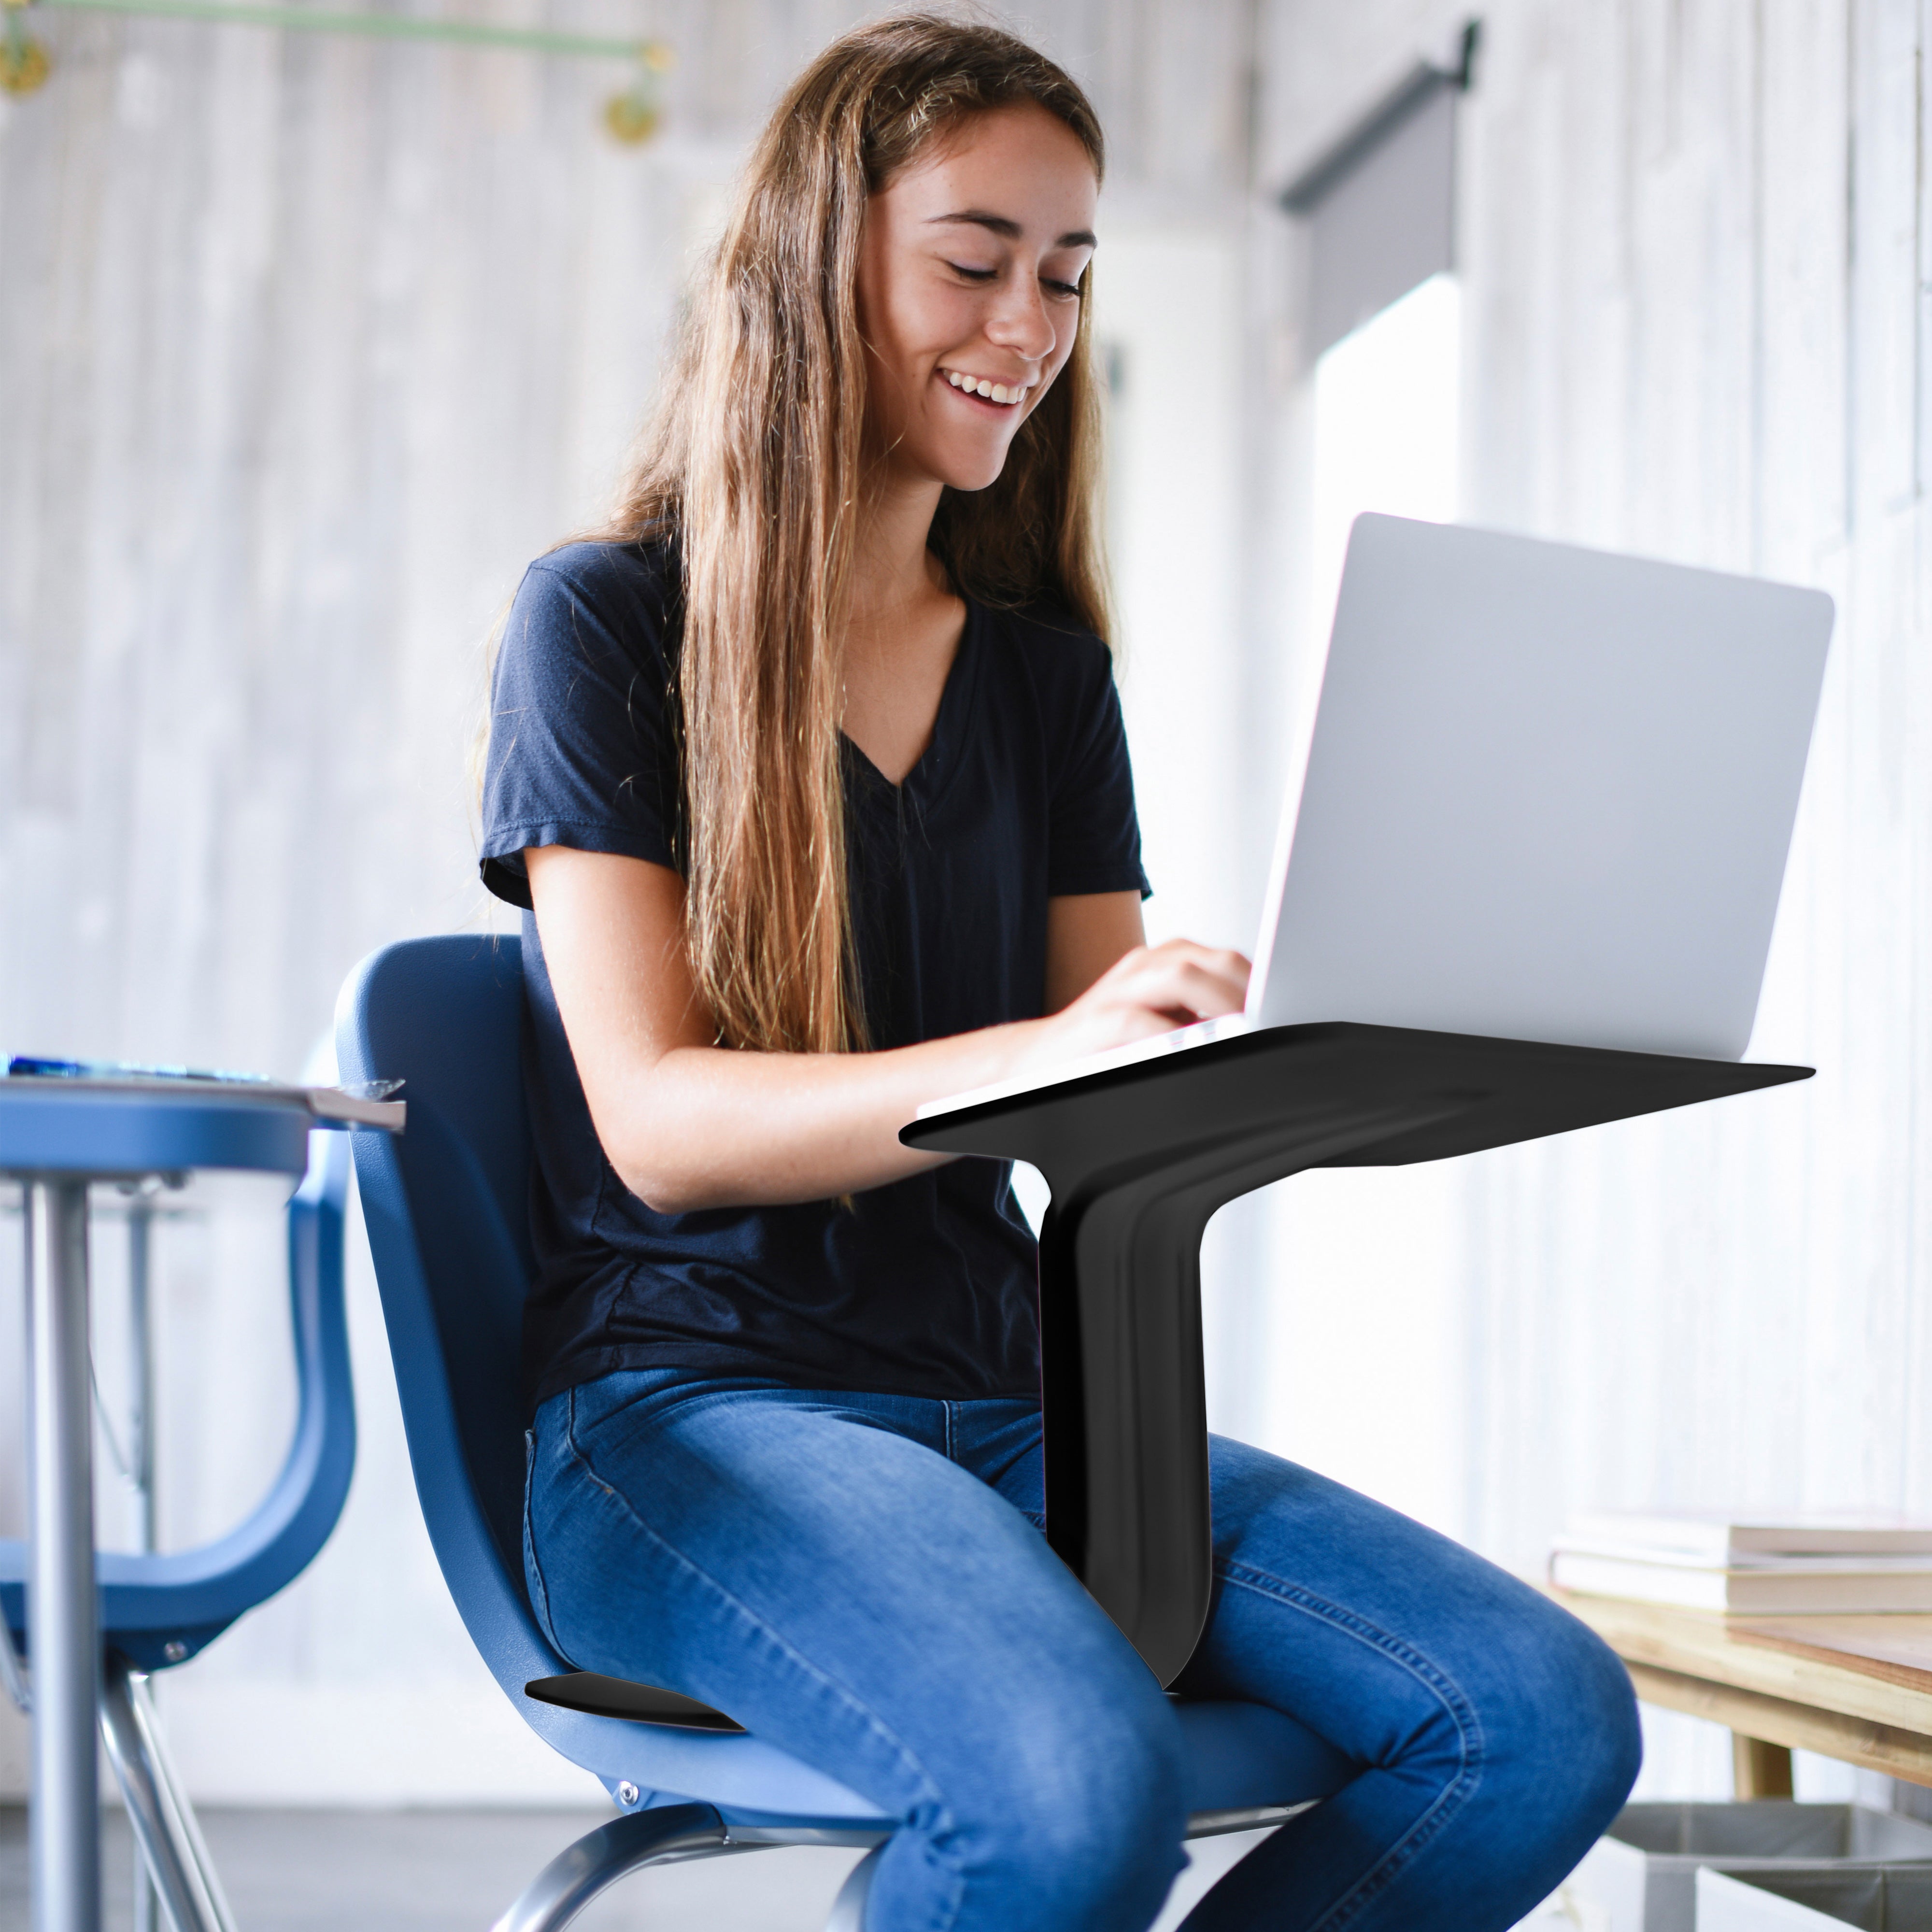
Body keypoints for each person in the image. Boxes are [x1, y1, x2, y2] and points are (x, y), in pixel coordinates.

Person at [479, 15, 1640, 1929]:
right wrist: (1054, 1043)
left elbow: (1103, 1104)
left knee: (1536, 1715)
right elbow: (662, 1125)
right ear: (816, 260)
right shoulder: (601, 621)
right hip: (687, 1409)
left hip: (1015, 1398)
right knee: (1071, 1796)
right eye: (972, 261)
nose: (1027, 325)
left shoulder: (1040, 676)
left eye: (1067, 276)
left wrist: (1328, 1055)